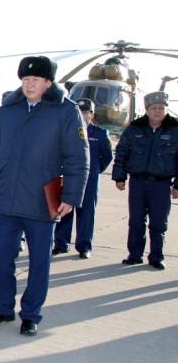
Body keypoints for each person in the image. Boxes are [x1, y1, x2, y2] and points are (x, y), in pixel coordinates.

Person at [0, 56, 89, 336]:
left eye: (35, 80)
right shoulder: (9, 109)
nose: (29, 84)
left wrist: (71, 197)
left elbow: (78, 158)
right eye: (25, 79)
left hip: (42, 202)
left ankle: (30, 314)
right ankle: (2, 308)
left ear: (48, 83)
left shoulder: (66, 111)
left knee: (39, 262)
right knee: (0, 258)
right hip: (7, 198)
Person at [111, 91, 178, 270]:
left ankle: (156, 256)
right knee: (136, 221)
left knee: (158, 223)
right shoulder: (134, 129)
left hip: (161, 184)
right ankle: (135, 255)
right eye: (153, 108)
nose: (157, 111)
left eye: (161, 108)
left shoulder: (175, 130)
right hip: (138, 183)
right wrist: (119, 176)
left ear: (165, 109)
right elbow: (122, 152)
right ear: (147, 110)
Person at [53, 98, 113, 259]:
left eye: (85, 112)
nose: (81, 115)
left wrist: (95, 170)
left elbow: (107, 157)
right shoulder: (65, 131)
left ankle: (84, 246)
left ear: (91, 114)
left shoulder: (100, 134)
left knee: (86, 213)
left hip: (89, 179)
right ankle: (61, 244)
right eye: (79, 112)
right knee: (64, 211)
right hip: (68, 177)